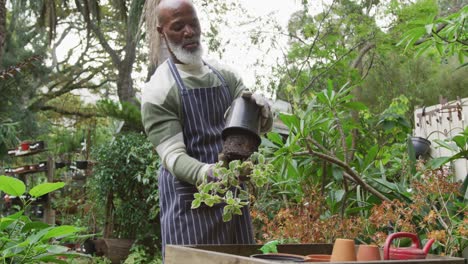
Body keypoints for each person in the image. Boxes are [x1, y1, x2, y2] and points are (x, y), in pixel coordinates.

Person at [141, 0, 273, 259]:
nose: (189, 32)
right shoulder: (159, 90)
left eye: (193, 23)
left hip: (232, 202)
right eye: (178, 27)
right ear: (162, 32)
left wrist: (264, 113)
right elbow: (172, 157)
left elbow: (249, 129)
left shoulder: (226, 77)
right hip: (189, 206)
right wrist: (209, 173)